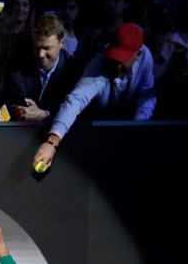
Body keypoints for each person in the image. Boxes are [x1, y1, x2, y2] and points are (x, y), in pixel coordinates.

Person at [31, 23, 156, 171]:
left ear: (138, 55)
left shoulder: (145, 58)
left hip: (130, 130)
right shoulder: (99, 63)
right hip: (96, 133)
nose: (115, 66)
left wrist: (136, 128)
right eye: (113, 59)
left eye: (121, 61)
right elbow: (76, 99)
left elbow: (146, 97)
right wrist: (52, 142)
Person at [2, 14, 80, 122]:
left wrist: (45, 114)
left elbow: (76, 111)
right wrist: (20, 110)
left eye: (47, 48)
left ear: (62, 43)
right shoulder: (17, 68)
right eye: (37, 47)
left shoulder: (74, 72)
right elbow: (8, 101)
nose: (40, 54)